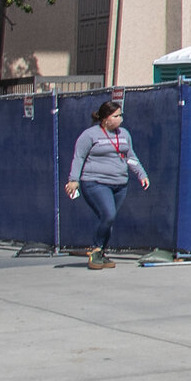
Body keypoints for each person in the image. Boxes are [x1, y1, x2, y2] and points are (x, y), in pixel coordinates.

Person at [63, 98, 151, 263]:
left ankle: (100, 253)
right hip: (95, 182)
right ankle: (97, 249)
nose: (120, 119)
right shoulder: (89, 135)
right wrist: (73, 179)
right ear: (105, 119)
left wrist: (141, 174)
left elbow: (130, 157)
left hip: (120, 184)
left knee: (108, 220)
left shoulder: (124, 134)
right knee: (108, 215)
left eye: (121, 115)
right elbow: (78, 157)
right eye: (116, 116)